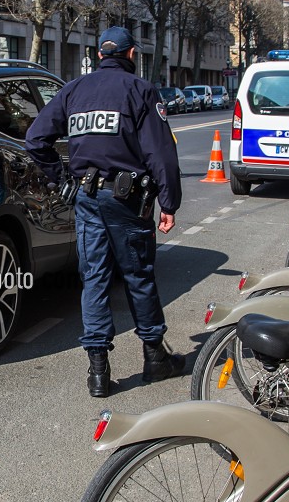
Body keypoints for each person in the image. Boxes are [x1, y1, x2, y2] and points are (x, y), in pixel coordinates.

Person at [26, 26, 184, 398]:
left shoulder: (73, 90)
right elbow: (161, 154)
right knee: (138, 276)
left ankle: (98, 372)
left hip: (87, 198)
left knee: (94, 279)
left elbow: (36, 139)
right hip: (127, 201)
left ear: (99, 55)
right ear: (131, 55)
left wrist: (61, 177)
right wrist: (169, 202)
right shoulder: (141, 91)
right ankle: (155, 358)